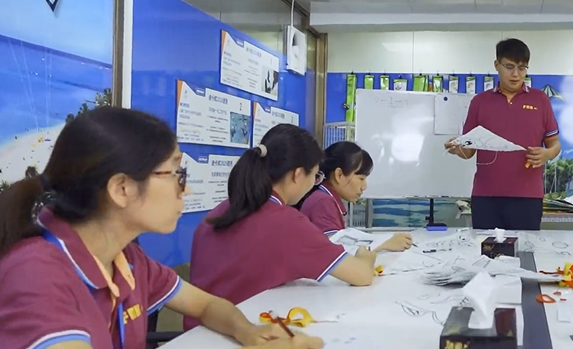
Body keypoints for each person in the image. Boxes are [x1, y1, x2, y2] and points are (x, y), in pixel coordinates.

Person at [0, 107, 322, 349]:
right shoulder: (36, 276)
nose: (187, 190)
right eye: (176, 174)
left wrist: (248, 332)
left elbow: (207, 304)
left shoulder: (125, 260)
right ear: (122, 189)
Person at [187, 124, 378, 330]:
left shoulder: (217, 213)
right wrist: (365, 256)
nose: (315, 183)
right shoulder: (286, 222)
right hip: (244, 335)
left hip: (198, 335)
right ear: (297, 174)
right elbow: (362, 275)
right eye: (315, 176)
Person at [444, 38, 560, 230]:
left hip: (528, 196)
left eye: (522, 68)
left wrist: (547, 154)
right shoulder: (480, 102)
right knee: (487, 254)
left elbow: (555, 144)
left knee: (525, 252)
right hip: (486, 196)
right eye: (509, 66)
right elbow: (468, 152)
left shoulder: (540, 100)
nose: (515, 74)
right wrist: (457, 149)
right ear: (497, 65)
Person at [297, 141, 412, 251]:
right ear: (339, 175)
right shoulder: (323, 202)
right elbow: (334, 254)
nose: (364, 186)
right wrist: (383, 244)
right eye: (361, 178)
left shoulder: (324, 197)